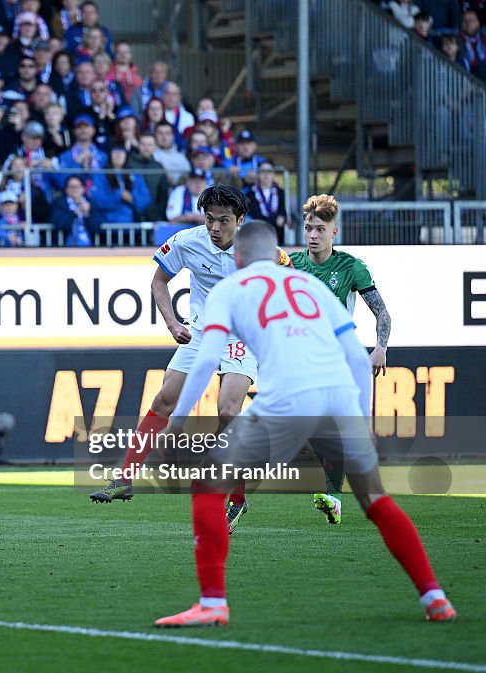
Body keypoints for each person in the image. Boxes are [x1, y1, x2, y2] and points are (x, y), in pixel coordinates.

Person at [152, 221, 456, 627]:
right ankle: (435, 597)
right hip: (339, 399)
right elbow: (355, 355)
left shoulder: (229, 290)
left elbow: (207, 359)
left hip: (287, 403)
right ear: (274, 253)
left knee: (207, 485)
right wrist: (363, 418)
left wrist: (176, 424)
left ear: (238, 258)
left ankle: (212, 603)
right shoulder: (310, 287)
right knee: (376, 500)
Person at [90, 185, 291, 536]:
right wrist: (172, 322)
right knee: (165, 398)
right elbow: (158, 281)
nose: (214, 227)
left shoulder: (259, 249)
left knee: (228, 409)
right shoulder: (188, 240)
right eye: (210, 219)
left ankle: (237, 499)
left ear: (241, 220)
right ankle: (123, 479)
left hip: (242, 335)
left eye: (224, 221)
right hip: (200, 331)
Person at [289, 194, 392, 523]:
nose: (313, 234)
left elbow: (382, 312)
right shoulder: (290, 264)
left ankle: (336, 494)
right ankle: (338, 490)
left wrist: (380, 347)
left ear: (334, 233)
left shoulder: (351, 267)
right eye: (309, 228)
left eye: (320, 228)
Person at [244, 162, 288, 242]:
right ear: (258, 175)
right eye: (263, 171)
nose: (266, 175)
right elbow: (254, 213)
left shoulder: (281, 192)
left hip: (277, 231)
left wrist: (282, 216)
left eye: (269, 171)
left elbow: (284, 209)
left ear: (273, 175)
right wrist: (273, 221)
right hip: (258, 230)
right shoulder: (250, 194)